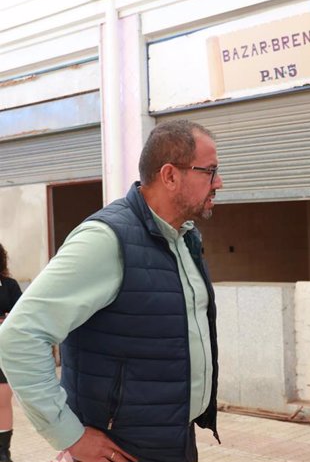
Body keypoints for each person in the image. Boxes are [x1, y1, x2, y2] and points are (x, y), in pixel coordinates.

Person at [0, 119, 223, 462]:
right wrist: (68, 435)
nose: (218, 182)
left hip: (173, 438)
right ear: (170, 175)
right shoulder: (106, 240)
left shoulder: (184, 238)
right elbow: (18, 337)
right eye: (209, 171)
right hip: (119, 449)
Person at [0, 243, 22, 462]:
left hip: (2, 350)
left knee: (1, 400)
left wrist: (6, 320)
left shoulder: (9, 285)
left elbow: (21, 316)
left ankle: (2, 452)